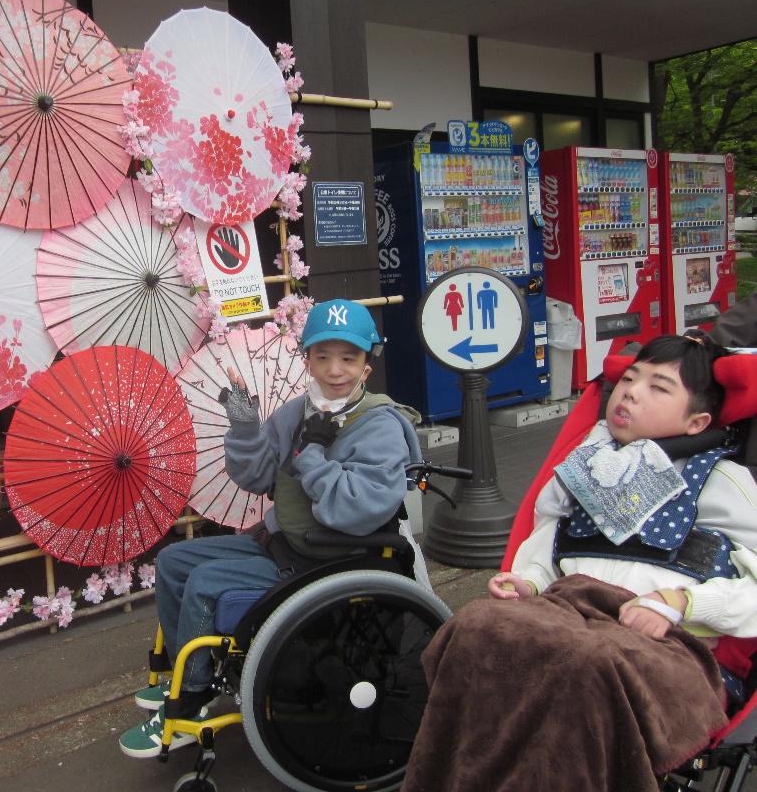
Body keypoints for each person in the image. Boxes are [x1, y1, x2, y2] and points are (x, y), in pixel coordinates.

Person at [402, 334, 757, 792]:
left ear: (698, 422)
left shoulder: (721, 481)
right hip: (569, 617)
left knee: (586, 661)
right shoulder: (584, 466)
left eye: (658, 387)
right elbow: (549, 546)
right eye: (629, 378)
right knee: (477, 627)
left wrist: (680, 602)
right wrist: (528, 584)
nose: (631, 391)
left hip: (671, 650)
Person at [118, 299, 421, 758]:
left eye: (348, 357)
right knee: (173, 560)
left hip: (329, 558)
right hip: (282, 544)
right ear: (308, 358)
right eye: (322, 357)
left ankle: (192, 698)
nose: (334, 370)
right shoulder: (299, 411)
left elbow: (353, 509)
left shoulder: (379, 426)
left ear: (367, 364)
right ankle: (184, 672)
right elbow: (257, 477)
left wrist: (313, 454)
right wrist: (244, 425)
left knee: (204, 583)